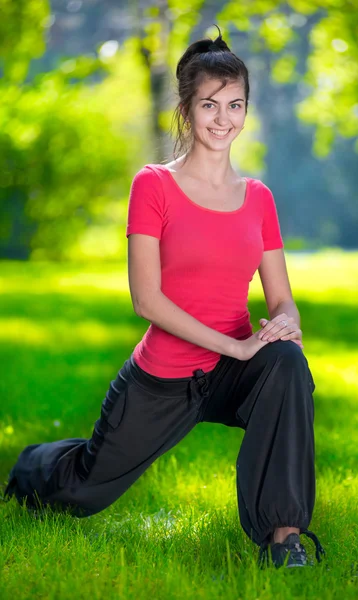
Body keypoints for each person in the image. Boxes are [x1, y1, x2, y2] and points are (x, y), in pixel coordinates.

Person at [3, 25, 325, 569]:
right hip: (164, 378)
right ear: (187, 109)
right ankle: (28, 469)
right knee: (83, 488)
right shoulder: (153, 185)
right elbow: (147, 300)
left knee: (288, 364)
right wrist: (238, 345)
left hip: (234, 370)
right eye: (210, 105)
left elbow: (281, 300)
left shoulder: (259, 199)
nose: (223, 119)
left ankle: (284, 538)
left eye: (235, 104)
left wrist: (283, 326)